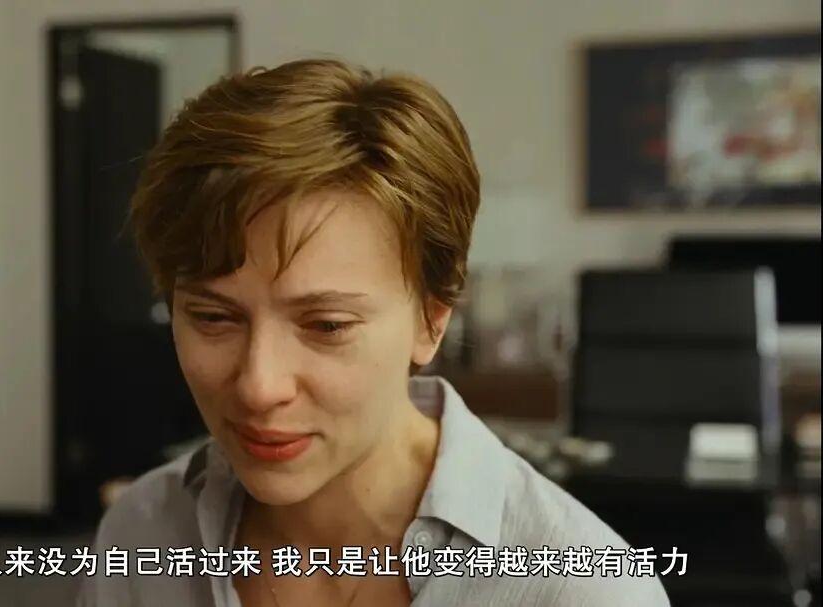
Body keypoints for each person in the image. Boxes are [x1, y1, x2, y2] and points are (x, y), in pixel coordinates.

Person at [78, 57, 670, 606]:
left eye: (327, 325)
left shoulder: (580, 591)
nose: (260, 387)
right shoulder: (143, 535)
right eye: (212, 317)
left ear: (432, 318)